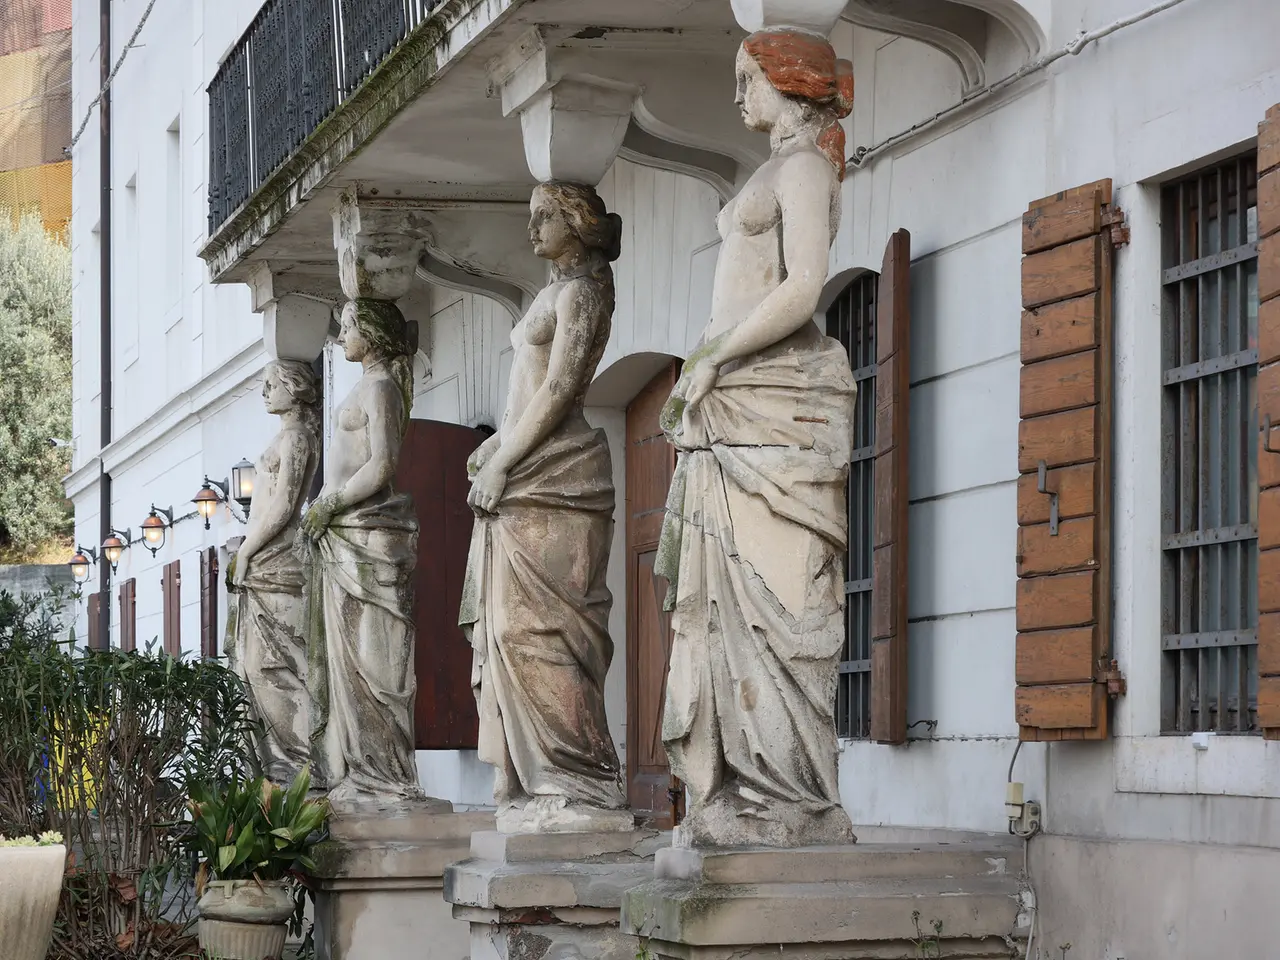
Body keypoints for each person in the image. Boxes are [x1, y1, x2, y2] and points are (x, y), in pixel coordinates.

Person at [656, 28, 859, 847]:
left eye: (749, 79)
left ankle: (790, 799)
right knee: (720, 605)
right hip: (735, 403)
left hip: (774, 404)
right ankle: (735, 790)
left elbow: (805, 286)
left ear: (787, 81)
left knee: (774, 604)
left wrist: (713, 357)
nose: (738, 96)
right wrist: (709, 366)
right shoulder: (771, 168)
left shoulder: (806, 168)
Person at [459, 181, 629, 831]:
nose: (531, 230)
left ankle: (579, 778)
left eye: (543, 218)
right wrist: (496, 446)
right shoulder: (550, 293)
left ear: (576, 223)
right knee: (503, 632)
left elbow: (558, 390)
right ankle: (532, 775)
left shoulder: (584, 295)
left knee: (542, 631)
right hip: (526, 469)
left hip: (560, 475)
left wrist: (503, 459)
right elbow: (526, 396)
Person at [299, 298, 421, 808]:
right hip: (346, 536)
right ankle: (355, 768)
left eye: (349, 325)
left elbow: (382, 464)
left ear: (371, 333)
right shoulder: (362, 385)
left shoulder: (381, 388)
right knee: (345, 663)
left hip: (366, 536)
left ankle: (383, 775)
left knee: (372, 660)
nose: (341, 331)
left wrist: (329, 502)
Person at [228, 360, 321, 783]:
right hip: (266, 558)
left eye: (272, 384)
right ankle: (278, 763)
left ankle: (299, 760)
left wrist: (246, 550)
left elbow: (285, 505)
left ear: (295, 388)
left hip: (277, 557)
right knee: (254, 666)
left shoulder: (297, 437)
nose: (265, 391)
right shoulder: (285, 436)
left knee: (277, 665)